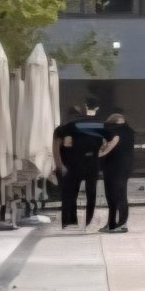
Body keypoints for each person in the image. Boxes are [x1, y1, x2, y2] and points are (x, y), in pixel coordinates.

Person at [53, 98, 105, 230]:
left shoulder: (67, 129)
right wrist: (60, 165)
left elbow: (57, 149)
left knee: (71, 194)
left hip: (73, 164)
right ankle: (76, 221)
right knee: (75, 194)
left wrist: (60, 165)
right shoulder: (65, 129)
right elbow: (57, 149)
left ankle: (73, 222)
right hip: (73, 164)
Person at [98, 113, 135, 233]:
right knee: (117, 195)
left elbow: (105, 150)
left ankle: (121, 224)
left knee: (116, 196)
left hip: (115, 168)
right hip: (121, 168)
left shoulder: (117, 134)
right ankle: (112, 223)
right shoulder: (129, 132)